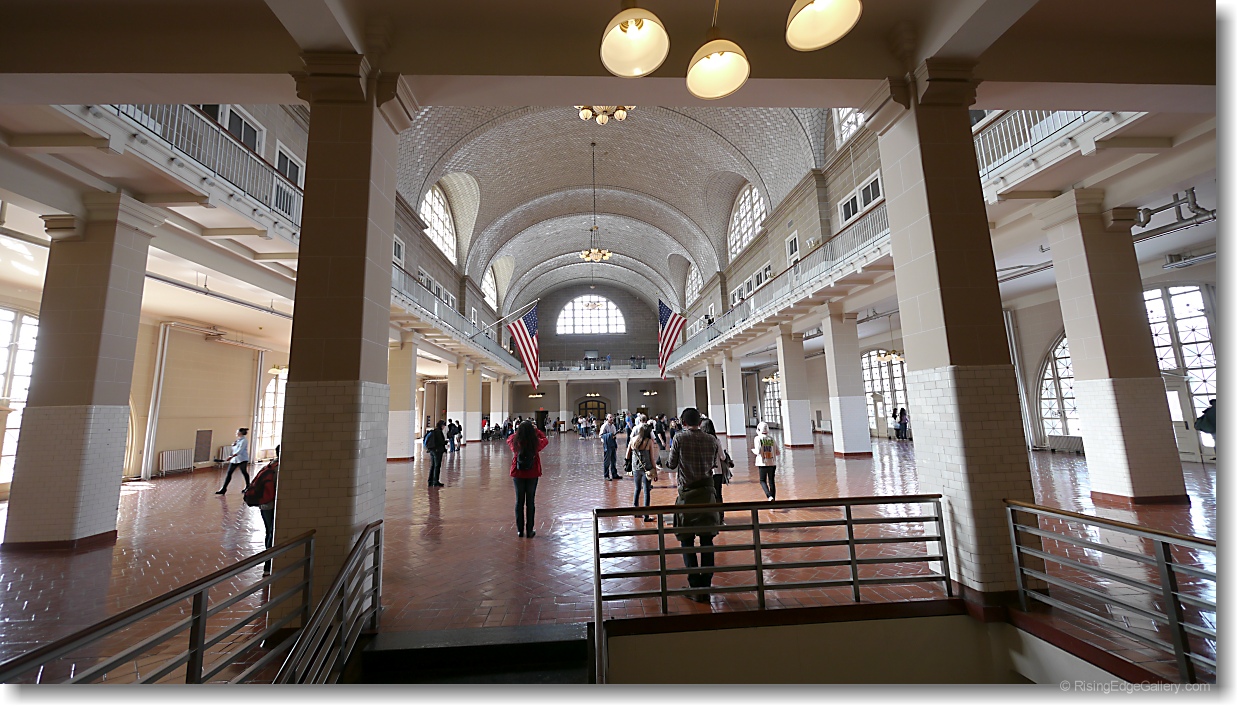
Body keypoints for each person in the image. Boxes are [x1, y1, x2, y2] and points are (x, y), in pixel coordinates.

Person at [664, 408, 722, 604]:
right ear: (699, 421)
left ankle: (694, 585)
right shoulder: (712, 440)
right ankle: (706, 585)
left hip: (687, 495)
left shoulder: (680, 438)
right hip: (707, 494)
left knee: (686, 540)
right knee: (707, 540)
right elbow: (713, 464)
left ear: (683, 422)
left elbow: (672, 464)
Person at [508, 420, 549, 538]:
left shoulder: (515, 442)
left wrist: (519, 431)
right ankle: (530, 530)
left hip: (518, 473)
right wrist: (536, 430)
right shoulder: (535, 443)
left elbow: (509, 438)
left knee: (519, 502)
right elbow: (545, 439)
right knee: (530, 502)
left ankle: (520, 530)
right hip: (532, 473)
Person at [245, 445, 280, 575]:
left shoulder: (270, 465)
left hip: (264, 505)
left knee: (268, 532)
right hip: (273, 505)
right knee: (272, 533)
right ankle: (268, 565)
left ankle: (267, 562)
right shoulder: (279, 469)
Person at [628, 424, 660, 522]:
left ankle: (635, 511)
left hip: (636, 468)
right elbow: (652, 458)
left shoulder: (633, 440)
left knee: (637, 489)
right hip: (647, 469)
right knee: (646, 491)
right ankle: (646, 515)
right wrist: (655, 471)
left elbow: (627, 455)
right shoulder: (649, 442)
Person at [699, 417, 732, 502]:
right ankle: (719, 509)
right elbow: (722, 457)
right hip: (717, 471)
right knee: (718, 493)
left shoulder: (699, 441)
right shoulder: (716, 440)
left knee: (706, 494)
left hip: (703, 472)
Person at [216, 427, 251, 494]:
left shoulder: (244, 441)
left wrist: (231, 457)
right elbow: (235, 449)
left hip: (242, 459)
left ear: (240, 433)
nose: (236, 433)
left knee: (244, 472)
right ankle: (224, 489)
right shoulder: (238, 440)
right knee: (229, 473)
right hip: (235, 459)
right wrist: (233, 446)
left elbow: (240, 451)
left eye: (237, 432)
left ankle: (248, 486)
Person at [752, 422, 779, 501]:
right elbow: (778, 452)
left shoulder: (757, 438)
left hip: (762, 463)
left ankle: (769, 496)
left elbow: (757, 451)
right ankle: (773, 499)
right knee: (771, 481)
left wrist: (753, 450)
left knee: (762, 481)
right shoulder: (772, 439)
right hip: (772, 463)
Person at [424, 421, 447, 487]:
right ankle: (436, 481)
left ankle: (430, 481)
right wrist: (445, 442)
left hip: (432, 450)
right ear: (441, 425)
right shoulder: (439, 432)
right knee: (437, 466)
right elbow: (441, 442)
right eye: (443, 426)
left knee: (433, 466)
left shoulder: (434, 431)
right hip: (437, 451)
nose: (444, 427)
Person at [601, 415, 622, 480]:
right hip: (607, 444)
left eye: (612, 417)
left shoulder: (613, 426)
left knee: (613, 460)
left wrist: (615, 444)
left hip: (613, 444)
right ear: (607, 418)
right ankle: (606, 475)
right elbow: (601, 435)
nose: (611, 418)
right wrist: (609, 436)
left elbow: (614, 435)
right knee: (607, 460)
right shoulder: (604, 426)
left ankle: (614, 474)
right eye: (610, 417)